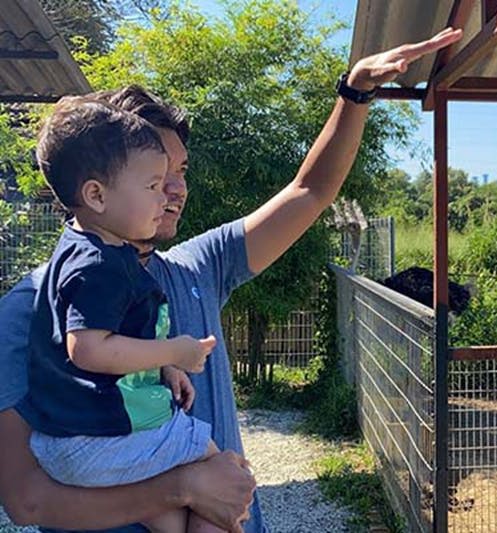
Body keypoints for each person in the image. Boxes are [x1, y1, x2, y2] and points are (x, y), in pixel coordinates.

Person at [0, 26, 462, 533]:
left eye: (179, 169)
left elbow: (310, 191)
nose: (175, 189)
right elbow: (28, 502)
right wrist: (182, 489)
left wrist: (355, 93)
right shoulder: (28, 310)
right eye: (155, 175)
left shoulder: (196, 268)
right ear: (100, 185)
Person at [17, 97, 224, 533]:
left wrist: (164, 366)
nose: (168, 194)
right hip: (97, 441)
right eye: (151, 185)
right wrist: (176, 351)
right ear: (96, 194)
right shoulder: (97, 266)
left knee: (174, 517)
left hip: (74, 446)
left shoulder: (81, 253)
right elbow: (88, 348)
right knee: (219, 470)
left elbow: (112, 331)